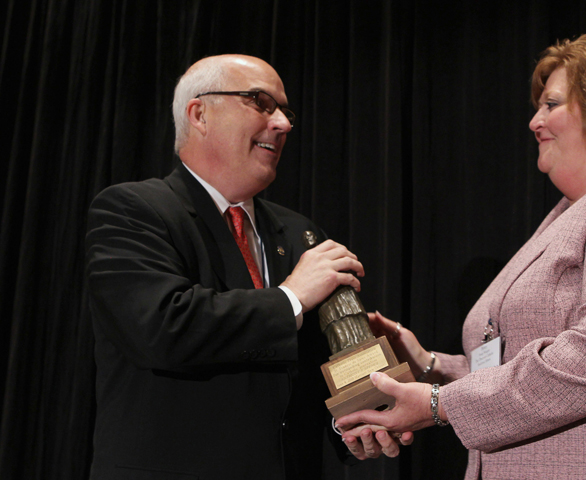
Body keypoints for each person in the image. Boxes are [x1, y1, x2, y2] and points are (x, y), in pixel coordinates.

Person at [338, 34, 586, 478]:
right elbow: (515, 363)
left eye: (552, 104)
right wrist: (431, 368)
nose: (534, 122)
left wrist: (439, 405)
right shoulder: (565, 217)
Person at [85, 54, 405, 479]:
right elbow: (162, 327)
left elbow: (308, 364)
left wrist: (356, 420)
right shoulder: (132, 210)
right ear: (199, 114)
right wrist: (291, 297)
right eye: (260, 102)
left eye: (285, 112)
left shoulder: (298, 232)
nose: (284, 124)